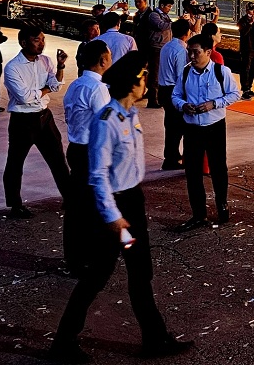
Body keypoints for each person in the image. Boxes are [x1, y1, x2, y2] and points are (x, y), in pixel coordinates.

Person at [50, 51, 191, 363]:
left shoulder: (130, 115)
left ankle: (154, 339)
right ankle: (63, 343)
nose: (146, 82)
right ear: (131, 83)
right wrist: (114, 218)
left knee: (140, 272)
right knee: (97, 276)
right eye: (142, 76)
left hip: (133, 205)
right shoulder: (107, 121)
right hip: (115, 214)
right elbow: (97, 175)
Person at [171, 34, 241, 231]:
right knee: (192, 172)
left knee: (219, 168)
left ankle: (222, 204)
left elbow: (235, 94)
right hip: (192, 128)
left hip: (215, 126)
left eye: (196, 52)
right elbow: (175, 95)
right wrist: (183, 105)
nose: (192, 56)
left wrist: (214, 104)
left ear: (208, 52)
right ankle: (198, 214)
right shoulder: (185, 73)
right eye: (189, 52)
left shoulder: (221, 72)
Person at [2, 24, 71, 219]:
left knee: (58, 159)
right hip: (22, 120)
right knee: (15, 163)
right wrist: (46, 89)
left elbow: (56, 86)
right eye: (36, 40)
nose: (41, 44)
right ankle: (15, 205)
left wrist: (60, 67)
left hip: (44, 117)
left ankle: (69, 197)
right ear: (23, 43)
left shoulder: (46, 61)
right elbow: (25, 97)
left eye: (42, 39)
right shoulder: (13, 68)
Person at [61, 40, 112, 275]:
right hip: (89, 152)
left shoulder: (75, 84)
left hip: (75, 147)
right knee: (90, 208)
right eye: (109, 56)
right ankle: (84, 259)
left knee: (77, 208)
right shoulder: (98, 89)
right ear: (103, 61)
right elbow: (105, 123)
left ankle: (75, 257)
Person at [157, 18, 192, 170]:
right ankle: (170, 159)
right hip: (174, 90)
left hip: (163, 89)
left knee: (170, 125)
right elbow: (181, 75)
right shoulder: (180, 50)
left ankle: (172, 154)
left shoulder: (167, 46)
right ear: (188, 32)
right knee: (176, 127)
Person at [141, 0, 174, 108]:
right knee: (155, 74)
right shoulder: (154, 15)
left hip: (162, 47)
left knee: (158, 73)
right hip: (156, 47)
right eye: (169, 6)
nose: (170, 8)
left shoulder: (164, 15)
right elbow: (161, 26)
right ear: (162, 5)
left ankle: (155, 96)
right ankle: (153, 100)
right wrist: (175, 23)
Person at [237, 3, 254, 99]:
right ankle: (245, 89)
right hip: (247, 48)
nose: (253, 11)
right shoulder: (242, 20)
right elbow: (243, 32)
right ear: (247, 10)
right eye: (251, 9)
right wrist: (250, 23)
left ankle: (250, 87)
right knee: (245, 69)